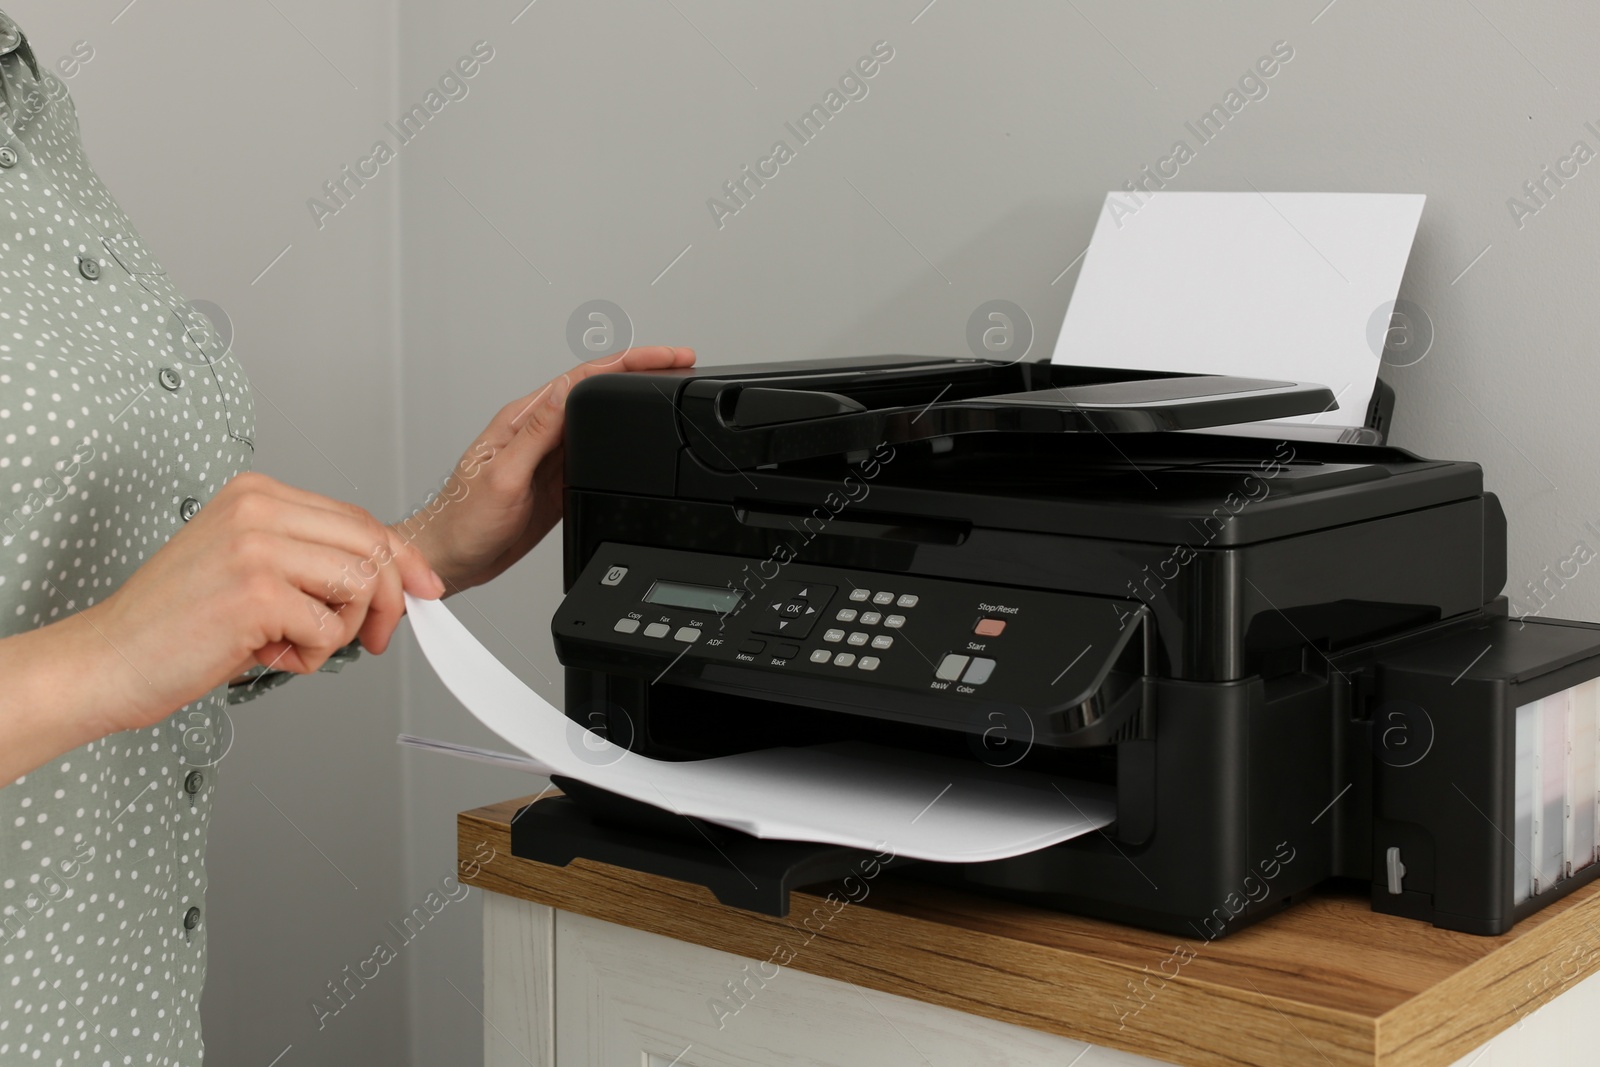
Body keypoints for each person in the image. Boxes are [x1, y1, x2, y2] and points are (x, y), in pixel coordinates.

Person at [0, 9, 693, 1064]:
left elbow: (121, 624)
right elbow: (114, 649)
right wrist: (109, 655)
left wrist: (427, 545)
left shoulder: (25, 97)